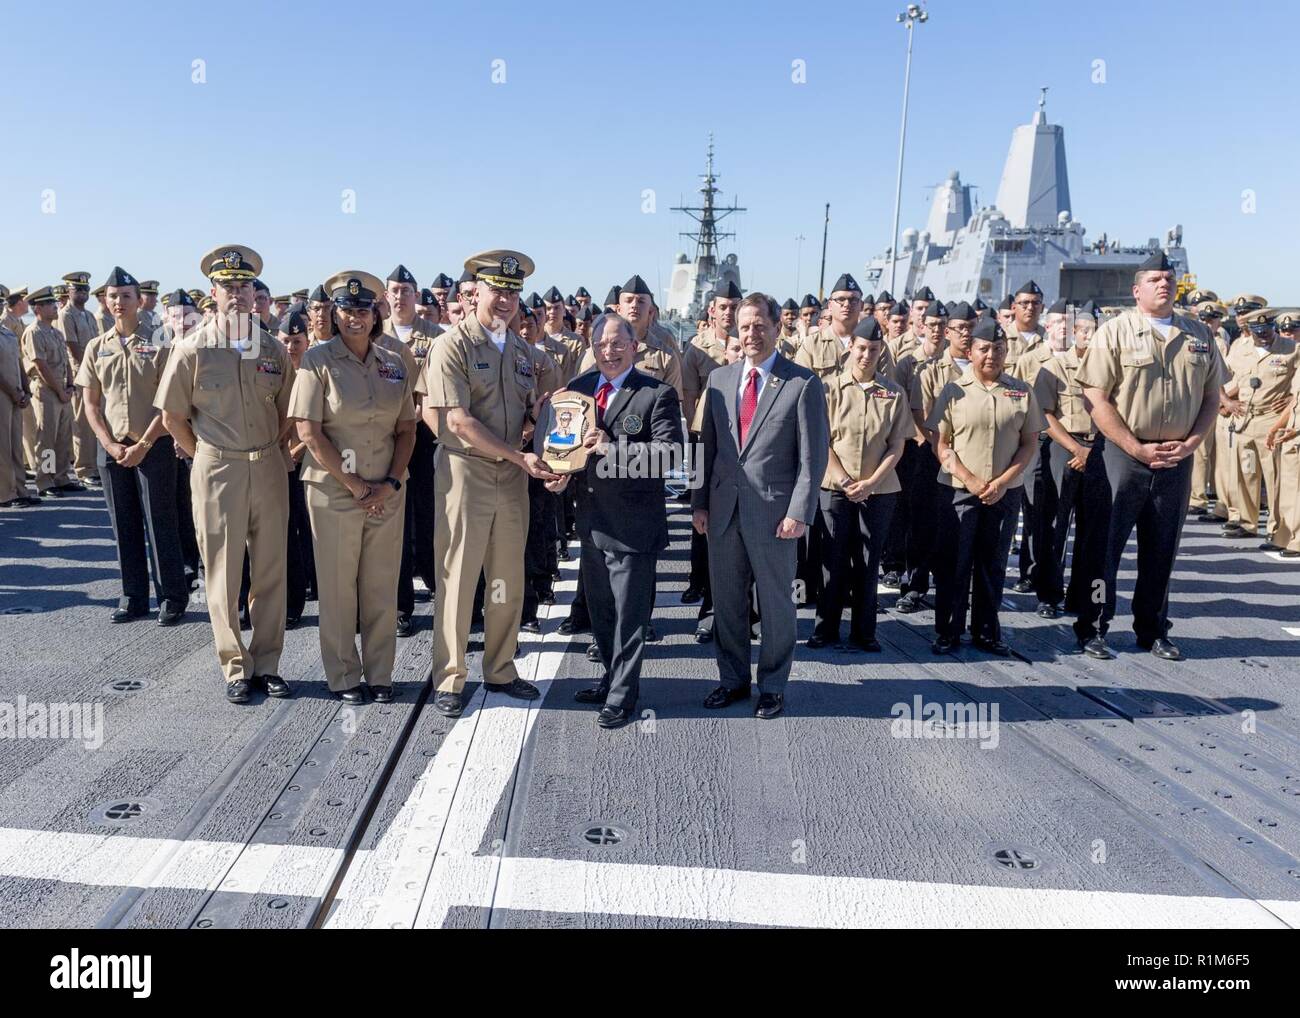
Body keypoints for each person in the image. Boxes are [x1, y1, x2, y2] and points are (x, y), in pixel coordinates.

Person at [417, 249, 559, 718]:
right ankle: (451, 676)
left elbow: (524, 418)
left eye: (513, 292)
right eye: (498, 289)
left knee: (506, 576)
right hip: (466, 474)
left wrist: (545, 431)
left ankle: (500, 668)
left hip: (511, 476)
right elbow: (456, 420)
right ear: (475, 290)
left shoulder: (521, 351)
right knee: (458, 578)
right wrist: (520, 454)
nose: (505, 300)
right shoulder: (452, 345)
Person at [156, 244, 296, 704]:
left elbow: (287, 412)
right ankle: (236, 665)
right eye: (228, 287)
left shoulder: (273, 348)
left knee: (272, 568)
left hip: (268, 465)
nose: (237, 295)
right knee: (223, 571)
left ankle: (268, 662)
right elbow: (174, 415)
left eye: (245, 287)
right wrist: (203, 456)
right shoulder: (191, 348)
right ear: (212, 293)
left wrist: (271, 449)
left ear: (255, 294)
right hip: (217, 468)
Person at [1075, 253, 1226, 660]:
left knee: (1162, 548)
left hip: (1176, 457)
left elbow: (1213, 396)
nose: (1165, 284)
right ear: (1136, 290)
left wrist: (1193, 443)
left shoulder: (1198, 335)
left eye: (1170, 278)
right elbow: (1095, 397)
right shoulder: (1115, 332)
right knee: (1103, 549)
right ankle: (1093, 625)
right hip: (1122, 457)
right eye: (1156, 279)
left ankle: (1153, 628)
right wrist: (1133, 446)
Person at [693, 292, 829, 719]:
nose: (751, 333)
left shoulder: (801, 383)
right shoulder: (719, 380)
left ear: (777, 328)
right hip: (723, 510)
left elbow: (813, 457)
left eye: (760, 326)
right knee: (729, 603)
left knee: (775, 605)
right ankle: (732, 679)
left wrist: (799, 512)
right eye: (744, 326)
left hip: (774, 515)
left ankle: (772, 685)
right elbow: (706, 449)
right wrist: (699, 502)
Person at [546, 313, 683, 728]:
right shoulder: (579, 389)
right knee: (602, 613)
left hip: (634, 525)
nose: (609, 351)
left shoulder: (656, 394)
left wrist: (612, 448)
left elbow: (669, 456)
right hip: (591, 521)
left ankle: (624, 695)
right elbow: (565, 444)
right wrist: (559, 472)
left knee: (630, 616)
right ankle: (609, 678)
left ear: (634, 346)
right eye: (601, 344)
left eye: (617, 343)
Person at [290, 271, 417, 704]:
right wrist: (356, 486)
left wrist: (389, 483)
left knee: (380, 584)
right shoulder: (316, 361)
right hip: (334, 492)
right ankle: (344, 675)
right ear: (335, 313)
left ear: (375, 313)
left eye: (362, 310)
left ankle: (381, 674)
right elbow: (308, 431)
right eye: (345, 310)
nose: (354, 318)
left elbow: (406, 430)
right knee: (339, 587)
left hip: (386, 492)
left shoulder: (395, 363)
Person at [75, 267, 188, 625]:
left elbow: (167, 402)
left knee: (161, 520)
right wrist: (108, 443)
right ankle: (133, 596)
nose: (119, 302)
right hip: (112, 447)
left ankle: (171, 596)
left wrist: (144, 443)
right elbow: (91, 404)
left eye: (126, 296)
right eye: (113, 297)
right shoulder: (97, 346)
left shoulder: (161, 341)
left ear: (139, 301)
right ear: (105, 303)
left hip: (153, 444)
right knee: (122, 523)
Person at [927, 316, 1043, 656]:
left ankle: (987, 631)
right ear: (971, 350)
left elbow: (1029, 443)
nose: (991, 355)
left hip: (1004, 493)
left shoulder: (1021, 391)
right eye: (984, 349)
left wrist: (1002, 482)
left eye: (998, 348)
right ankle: (947, 630)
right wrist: (972, 480)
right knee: (953, 563)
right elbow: (942, 444)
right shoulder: (953, 391)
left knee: (993, 562)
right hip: (959, 490)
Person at [811, 317, 909, 651]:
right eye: (862, 348)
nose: (867, 355)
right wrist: (844, 479)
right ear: (851, 347)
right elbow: (820, 439)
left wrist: (870, 482)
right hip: (835, 488)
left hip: (878, 490)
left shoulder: (893, 393)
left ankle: (864, 632)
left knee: (868, 563)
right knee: (832, 562)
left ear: (881, 351)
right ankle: (825, 628)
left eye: (874, 349)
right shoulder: (828, 388)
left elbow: (897, 445)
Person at [1035, 305, 1112, 645]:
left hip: (1101, 449)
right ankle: (1049, 594)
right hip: (1064, 448)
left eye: (1097, 331)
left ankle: (1082, 597)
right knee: (1055, 525)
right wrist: (1076, 449)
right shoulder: (1054, 367)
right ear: (1075, 333)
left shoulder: (1113, 369)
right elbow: (1045, 414)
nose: (1090, 337)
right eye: (1085, 331)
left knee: (1094, 530)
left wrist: (1092, 451)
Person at [383, 264, 443, 637]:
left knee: (432, 517)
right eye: (395, 290)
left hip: (426, 437)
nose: (401, 296)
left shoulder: (436, 336)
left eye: (407, 290)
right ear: (386, 297)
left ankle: (441, 591)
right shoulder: (375, 336)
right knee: (395, 524)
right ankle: (401, 605)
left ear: (416, 296)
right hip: (387, 439)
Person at [1221, 308, 1296, 548]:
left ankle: (1275, 529)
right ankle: (1246, 522)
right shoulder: (1239, 350)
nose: (1264, 335)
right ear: (1249, 331)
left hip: (1271, 420)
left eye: (1268, 331)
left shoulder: (1291, 348)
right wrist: (1227, 402)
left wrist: (1293, 399)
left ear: (1274, 327)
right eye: (1258, 332)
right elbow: (1215, 377)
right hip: (1244, 421)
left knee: (1275, 479)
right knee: (1246, 473)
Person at [21, 287, 82, 497]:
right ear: (38, 308)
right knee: (46, 439)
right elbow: (41, 366)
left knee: (63, 437)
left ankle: (62, 476)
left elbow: (65, 362)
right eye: (49, 304)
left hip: (63, 390)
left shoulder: (55, 331)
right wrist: (60, 390)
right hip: (46, 391)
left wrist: (70, 386)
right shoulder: (34, 332)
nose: (55, 307)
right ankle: (46, 481)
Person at [58, 271, 103, 486]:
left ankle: (94, 465)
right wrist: (89, 369)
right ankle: (84, 468)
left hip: (95, 374)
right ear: (69, 291)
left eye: (86, 289)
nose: (84, 293)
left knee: (95, 420)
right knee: (82, 423)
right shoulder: (66, 315)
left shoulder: (88, 315)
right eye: (79, 289)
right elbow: (73, 346)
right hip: (80, 374)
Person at [0, 296, 37, 508]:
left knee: (15, 445)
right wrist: (13, 392)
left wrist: (24, 388)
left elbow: (18, 362)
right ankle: (5, 494)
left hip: (15, 393)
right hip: (4, 394)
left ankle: (20, 489)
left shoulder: (6, 332)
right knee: (2, 447)